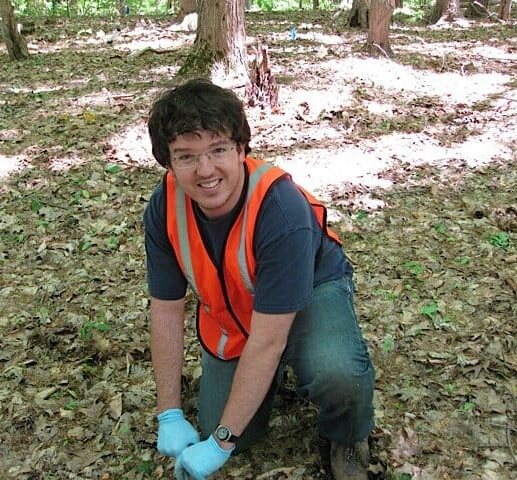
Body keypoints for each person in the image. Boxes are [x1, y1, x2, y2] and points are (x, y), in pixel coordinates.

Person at [144, 78, 376, 480]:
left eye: (217, 150)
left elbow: (267, 339)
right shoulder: (163, 208)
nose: (205, 170)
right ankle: (269, 380)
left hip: (311, 287)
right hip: (236, 300)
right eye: (186, 156)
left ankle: (348, 434)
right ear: (168, 161)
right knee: (234, 428)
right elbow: (166, 311)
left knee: (336, 372)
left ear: (240, 149)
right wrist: (169, 412)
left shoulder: (280, 210)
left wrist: (219, 442)